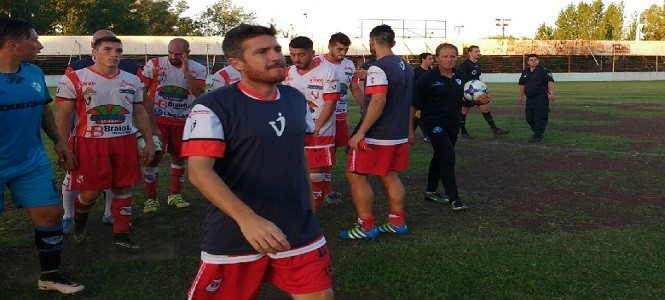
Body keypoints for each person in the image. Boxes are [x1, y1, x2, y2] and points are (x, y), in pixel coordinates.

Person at [183, 23, 333, 300]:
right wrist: (247, 219)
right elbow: (199, 172)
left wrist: (308, 200)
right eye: (262, 52)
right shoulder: (212, 106)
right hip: (235, 232)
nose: (275, 56)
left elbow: (297, 150)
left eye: (276, 48)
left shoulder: (294, 99)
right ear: (236, 63)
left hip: (298, 227)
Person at [0, 17, 84, 294]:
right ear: (13, 45)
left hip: (31, 162)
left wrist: (59, 142)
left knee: (50, 213)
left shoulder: (34, 73)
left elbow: (44, 110)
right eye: (33, 39)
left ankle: (50, 276)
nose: (40, 44)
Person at [56, 36, 155, 251]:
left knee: (123, 188)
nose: (114, 54)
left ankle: (121, 233)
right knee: (90, 192)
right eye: (108, 49)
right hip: (89, 142)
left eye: (118, 50)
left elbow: (140, 112)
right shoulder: (75, 78)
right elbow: (63, 115)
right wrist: (62, 145)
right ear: (94, 51)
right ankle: (79, 222)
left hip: (124, 141)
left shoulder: (132, 80)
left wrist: (149, 141)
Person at [340, 24, 413, 240]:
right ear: (393, 42)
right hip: (398, 134)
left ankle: (366, 226)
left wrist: (361, 132)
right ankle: (397, 222)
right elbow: (396, 98)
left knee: (356, 175)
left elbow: (378, 101)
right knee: (391, 176)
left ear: (372, 42)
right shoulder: (406, 66)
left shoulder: (378, 68)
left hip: (377, 135)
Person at [411, 43, 489, 211]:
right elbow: (414, 104)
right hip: (433, 123)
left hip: (453, 124)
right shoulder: (427, 78)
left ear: (456, 58)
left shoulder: (461, 77)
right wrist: (410, 129)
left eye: (452, 56)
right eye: (445, 56)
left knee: (440, 156)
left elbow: (466, 99)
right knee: (448, 156)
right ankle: (455, 199)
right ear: (437, 58)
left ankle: (431, 191)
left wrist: (481, 99)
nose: (449, 59)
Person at [141, 38, 207, 213]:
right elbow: (141, 91)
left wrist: (186, 72)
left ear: (187, 53)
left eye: (178, 54)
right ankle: (151, 199)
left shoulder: (198, 69)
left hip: (183, 120)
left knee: (178, 157)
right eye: (170, 52)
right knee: (154, 156)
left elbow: (200, 94)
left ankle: (175, 195)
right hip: (157, 120)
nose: (173, 56)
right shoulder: (154, 64)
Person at [283, 36, 340, 212]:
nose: (296, 59)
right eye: (292, 55)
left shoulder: (327, 72)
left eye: (301, 55)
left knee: (315, 176)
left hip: (319, 131)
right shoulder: (288, 72)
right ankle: (300, 209)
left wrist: (317, 127)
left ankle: (309, 217)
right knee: (295, 172)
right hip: (294, 130)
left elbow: (330, 103)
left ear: (312, 53)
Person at [317, 32, 356, 205]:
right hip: (321, 116)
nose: (342, 53)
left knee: (332, 154)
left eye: (345, 50)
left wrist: (367, 106)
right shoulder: (317, 62)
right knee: (321, 154)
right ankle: (324, 190)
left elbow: (355, 88)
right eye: (339, 49)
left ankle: (325, 187)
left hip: (340, 116)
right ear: (330, 46)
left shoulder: (349, 65)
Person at [458, 45, 510, 139]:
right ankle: (463, 132)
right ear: (469, 53)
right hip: (468, 92)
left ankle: (495, 130)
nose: (478, 53)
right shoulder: (465, 65)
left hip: (477, 92)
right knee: (464, 111)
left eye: (479, 51)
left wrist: (484, 89)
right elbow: (460, 79)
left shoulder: (478, 64)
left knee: (485, 108)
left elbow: (477, 79)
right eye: (476, 51)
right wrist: (462, 93)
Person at [519, 53, 555, 143]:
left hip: (541, 97)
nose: (533, 61)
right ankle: (537, 132)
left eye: (535, 60)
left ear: (538, 61)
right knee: (529, 117)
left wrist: (551, 93)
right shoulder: (525, 72)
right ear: (528, 62)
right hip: (530, 98)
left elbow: (550, 82)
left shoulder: (543, 71)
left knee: (540, 116)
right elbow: (522, 84)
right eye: (531, 60)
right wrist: (521, 96)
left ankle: (538, 134)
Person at [412, 52, 434, 141]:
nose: (432, 60)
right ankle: (427, 135)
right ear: (423, 59)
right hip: (419, 97)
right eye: (430, 58)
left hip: (429, 98)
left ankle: (409, 132)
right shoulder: (416, 71)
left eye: (432, 58)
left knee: (421, 116)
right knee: (419, 114)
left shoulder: (431, 71)